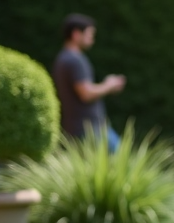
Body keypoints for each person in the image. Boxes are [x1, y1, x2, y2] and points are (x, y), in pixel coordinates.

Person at [52, 13, 126, 151]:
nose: (92, 39)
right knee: (122, 162)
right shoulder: (74, 60)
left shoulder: (63, 58)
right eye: (89, 34)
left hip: (81, 128)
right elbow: (86, 93)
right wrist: (109, 85)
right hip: (89, 130)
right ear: (76, 34)